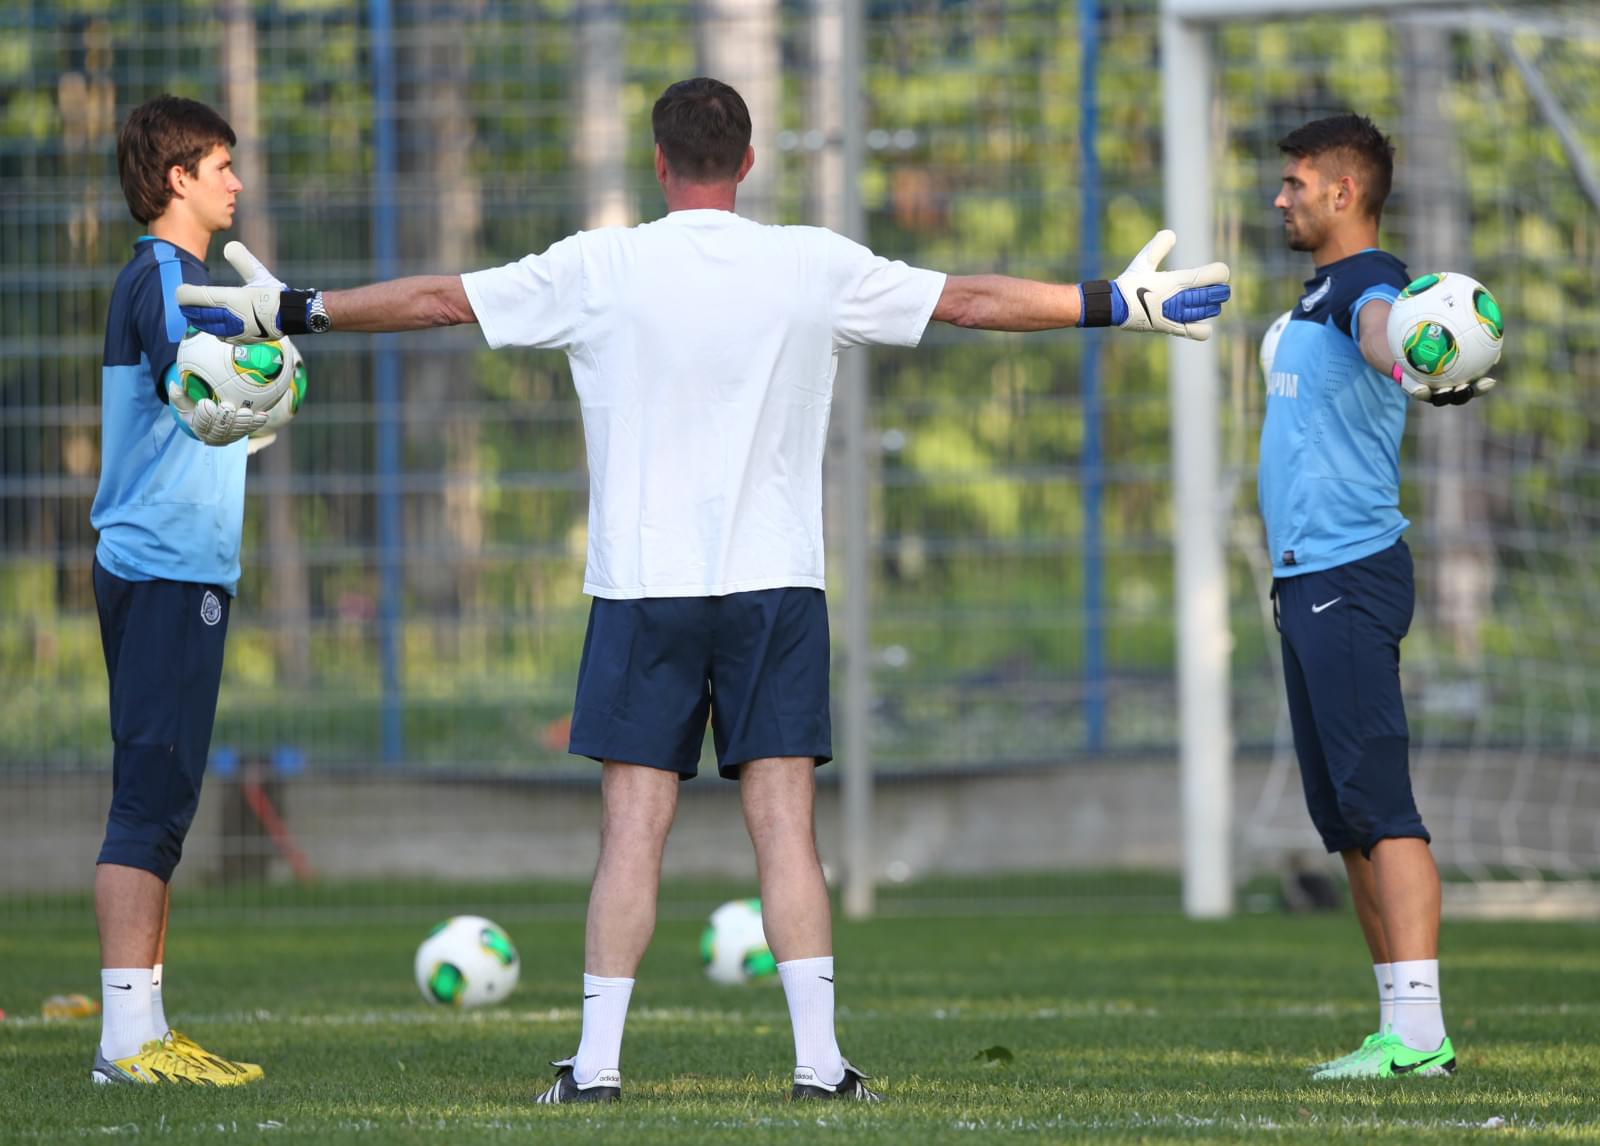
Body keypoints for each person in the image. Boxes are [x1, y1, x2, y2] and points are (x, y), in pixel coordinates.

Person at [179, 76, 1231, 1103]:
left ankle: (596, 1069)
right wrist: (1111, 303)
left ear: (658, 162)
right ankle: (821, 1066)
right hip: (776, 589)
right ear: (749, 162)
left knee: (634, 830)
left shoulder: (601, 264)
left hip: (646, 590)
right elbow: (967, 300)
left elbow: (440, 299)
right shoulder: (811, 262)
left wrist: (297, 309)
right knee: (786, 828)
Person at [1258, 113, 1493, 1082]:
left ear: (1343, 192)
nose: (1280, 196)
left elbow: (1379, 332)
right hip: (1307, 578)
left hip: (1347, 575)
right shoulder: (1321, 287)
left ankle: (1423, 1036)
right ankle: (1398, 1029)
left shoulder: (1367, 283)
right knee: (1348, 821)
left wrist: (1410, 363)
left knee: (1383, 809)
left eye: (1296, 181)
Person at [89, 94, 275, 1086]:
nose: (235, 182)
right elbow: (191, 380)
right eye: (221, 165)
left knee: (164, 799)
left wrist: (262, 379)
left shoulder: (188, 277)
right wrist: (260, 375)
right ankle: (124, 1045)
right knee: (149, 798)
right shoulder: (164, 273)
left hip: (182, 566)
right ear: (178, 179)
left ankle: (147, 1031)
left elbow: (217, 399)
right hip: (161, 565)